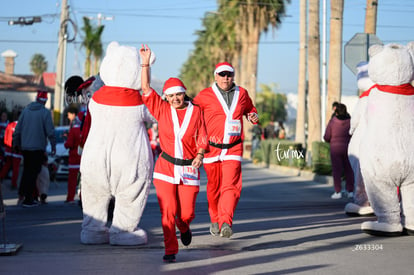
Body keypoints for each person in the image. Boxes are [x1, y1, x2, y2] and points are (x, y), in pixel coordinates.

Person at [140, 45, 208, 263]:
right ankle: (170, 249)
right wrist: (145, 63)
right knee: (167, 211)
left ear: (183, 93)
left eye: (179, 94)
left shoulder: (196, 111)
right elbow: (146, 88)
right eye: (171, 95)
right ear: (166, 97)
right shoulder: (160, 109)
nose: (176, 98)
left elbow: (203, 135)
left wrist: (200, 154)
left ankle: (184, 226)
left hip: (189, 167)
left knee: (186, 213)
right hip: (165, 168)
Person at [193, 61, 259, 238]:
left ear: (233, 76)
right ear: (215, 76)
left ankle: (225, 222)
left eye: (228, 74)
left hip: (233, 148)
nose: (225, 78)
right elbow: (192, 114)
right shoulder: (204, 95)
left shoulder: (242, 93)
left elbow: (251, 110)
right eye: (222, 74)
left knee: (230, 187)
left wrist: (253, 116)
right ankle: (215, 219)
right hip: (211, 150)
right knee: (214, 188)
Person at [12, 90, 56, 207]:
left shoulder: (25, 111)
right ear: (45, 101)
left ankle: (22, 195)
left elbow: (17, 130)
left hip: (25, 147)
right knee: (33, 172)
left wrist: (15, 143)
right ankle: (28, 199)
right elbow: (50, 131)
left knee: (27, 171)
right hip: (38, 148)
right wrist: (53, 145)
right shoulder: (45, 113)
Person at [323, 103, 354, 199]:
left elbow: (326, 136)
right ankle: (350, 191)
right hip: (348, 148)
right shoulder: (350, 121)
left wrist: (331, 140)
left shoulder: (333, 122)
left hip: (335, 149)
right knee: (349, 170)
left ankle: (338, 192)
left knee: (337, 171)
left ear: (336, 112)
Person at [0, 112, 23, 189]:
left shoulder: (10, 125)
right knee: (15, 168)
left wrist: (6, 146)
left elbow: (5, 136)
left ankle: (1, 177)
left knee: (7, 165)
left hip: (9, 149)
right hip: (17, 150)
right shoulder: (22, 126)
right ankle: (13, 184)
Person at [64, 106, 82, 204]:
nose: (68, 116)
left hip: (74, 158)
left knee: (72, 181)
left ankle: (70, 198)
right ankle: (82, 198)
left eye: (68, 114)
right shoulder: (85, 129)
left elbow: (69, 144)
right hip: (83, 159)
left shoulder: (74, 129)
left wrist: (66, 143)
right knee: (82, 181)